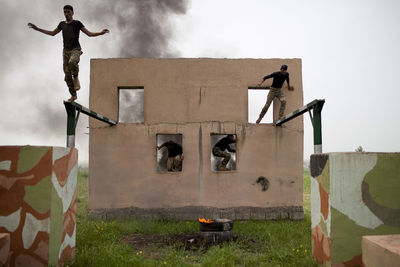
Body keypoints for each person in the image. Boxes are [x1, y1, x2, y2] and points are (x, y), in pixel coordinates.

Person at [28, 5, 109, 102]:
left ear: (72, 13)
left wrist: (100, 33)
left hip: (75, 49)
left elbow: (89, 34)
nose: (66, 14)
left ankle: (76, 77)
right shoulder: (62, 24)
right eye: (65, 12)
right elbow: (53, 33)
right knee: (66, 76)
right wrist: (38, 29)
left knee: (72, 63)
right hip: (65, 52)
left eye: (68, 12)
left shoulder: (77, 23)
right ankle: (73, 95)